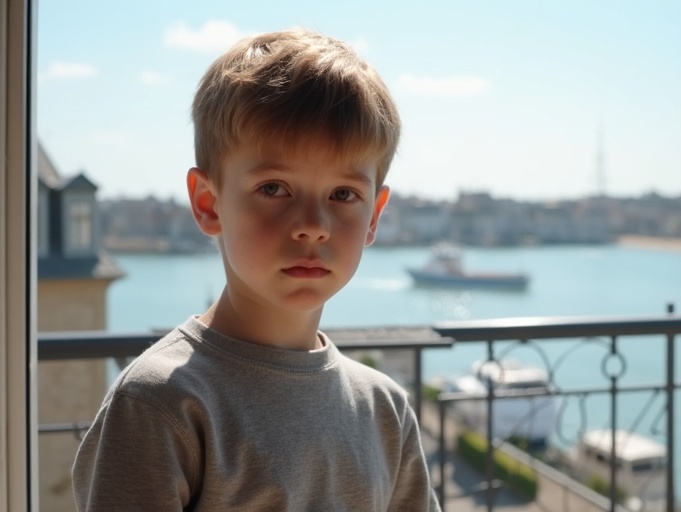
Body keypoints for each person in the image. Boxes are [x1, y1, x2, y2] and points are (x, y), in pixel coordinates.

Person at [72, 27, 441, 511]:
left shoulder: (386, 410)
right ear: (209, 203)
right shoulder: (162, 404)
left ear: (373, 216)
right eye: (274, 189)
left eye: (343, 195)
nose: (313, 226)